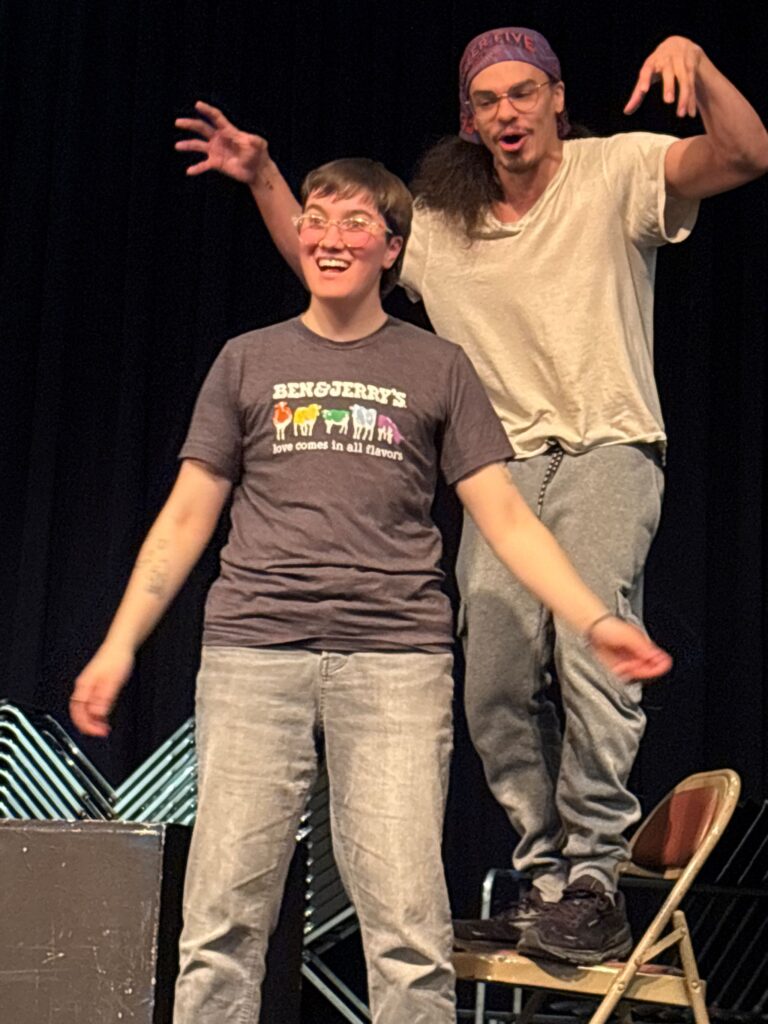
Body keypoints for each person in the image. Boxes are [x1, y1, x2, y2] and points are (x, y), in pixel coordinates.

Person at [172, 27, 768, 966]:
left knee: (588, 640)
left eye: (524, 94)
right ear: (469, 118)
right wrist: (262, 176)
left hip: (608, 443)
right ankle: (543, 883)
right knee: (490, 679)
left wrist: (699, 61)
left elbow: (743, 154)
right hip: (503, 471)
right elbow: (330, 253)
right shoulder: (444, 223)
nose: (507, 114)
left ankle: (594, 877)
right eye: (488, 102)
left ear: (557, 98)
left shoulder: (617, 173)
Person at [70, 156, 669, 1022]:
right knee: (221, 927)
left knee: (407, 931)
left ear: (392, 248)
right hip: (253, 656)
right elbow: (187, 515)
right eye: (316, 218)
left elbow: (502, 514)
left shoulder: (440, 366)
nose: (331, 236)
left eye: (356, 224)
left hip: (395, 662)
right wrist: (120, 643)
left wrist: (590, 617)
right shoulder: (247, 360)